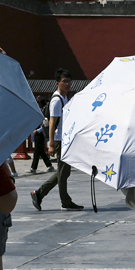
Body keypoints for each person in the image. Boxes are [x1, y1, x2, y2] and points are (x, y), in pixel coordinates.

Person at [32, 73, 83, 211]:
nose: (67, 84)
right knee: (63, 172)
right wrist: (51, 144)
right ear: (57, 83)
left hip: (65, 139)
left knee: (63, 172)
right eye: (64, 81)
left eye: (69, 81)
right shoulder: (56, 100)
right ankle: (64, 201)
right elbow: (52, 123)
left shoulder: (65, 97)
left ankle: (39, 193)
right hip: (60, 140)